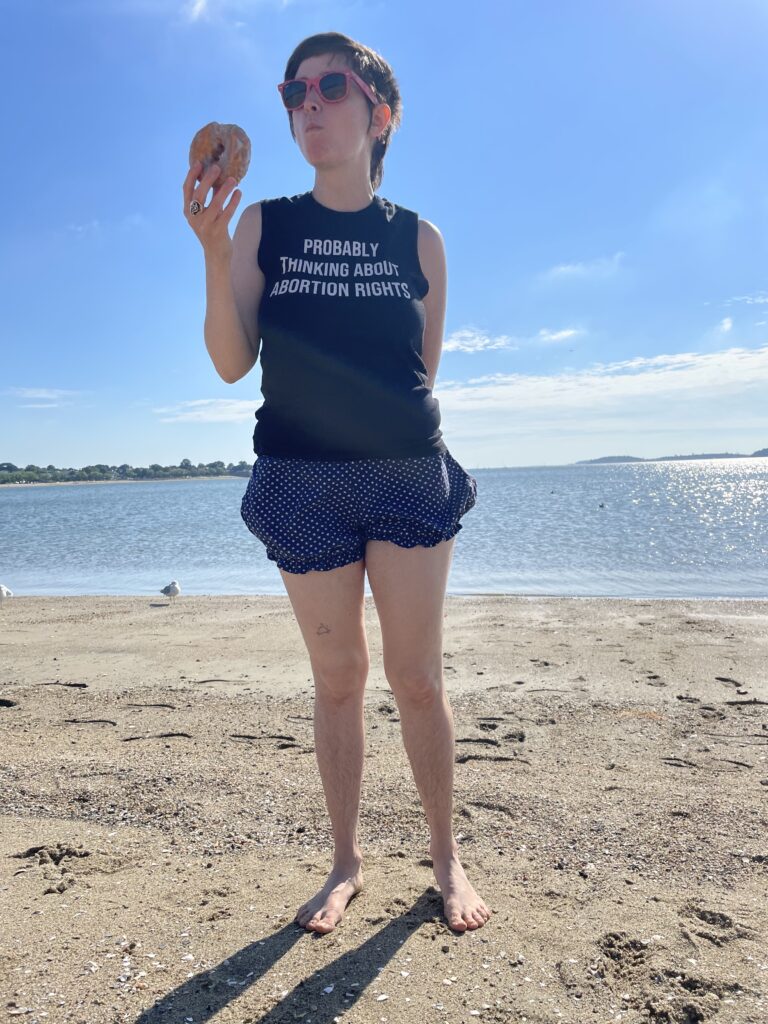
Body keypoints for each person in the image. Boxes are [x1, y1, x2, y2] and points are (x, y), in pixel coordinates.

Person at [183, 31, 489, 935]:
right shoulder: (262, 224)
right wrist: (209, 250)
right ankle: (346, 863)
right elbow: (233, 362)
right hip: (300, 475)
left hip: (402, 472)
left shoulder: (420, 240)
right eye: (293, 92)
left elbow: (419, 372)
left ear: (378, 113)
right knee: (338, 676)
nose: (306, 103)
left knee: (418, 679)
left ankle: (446, 857)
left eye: (328, 87)